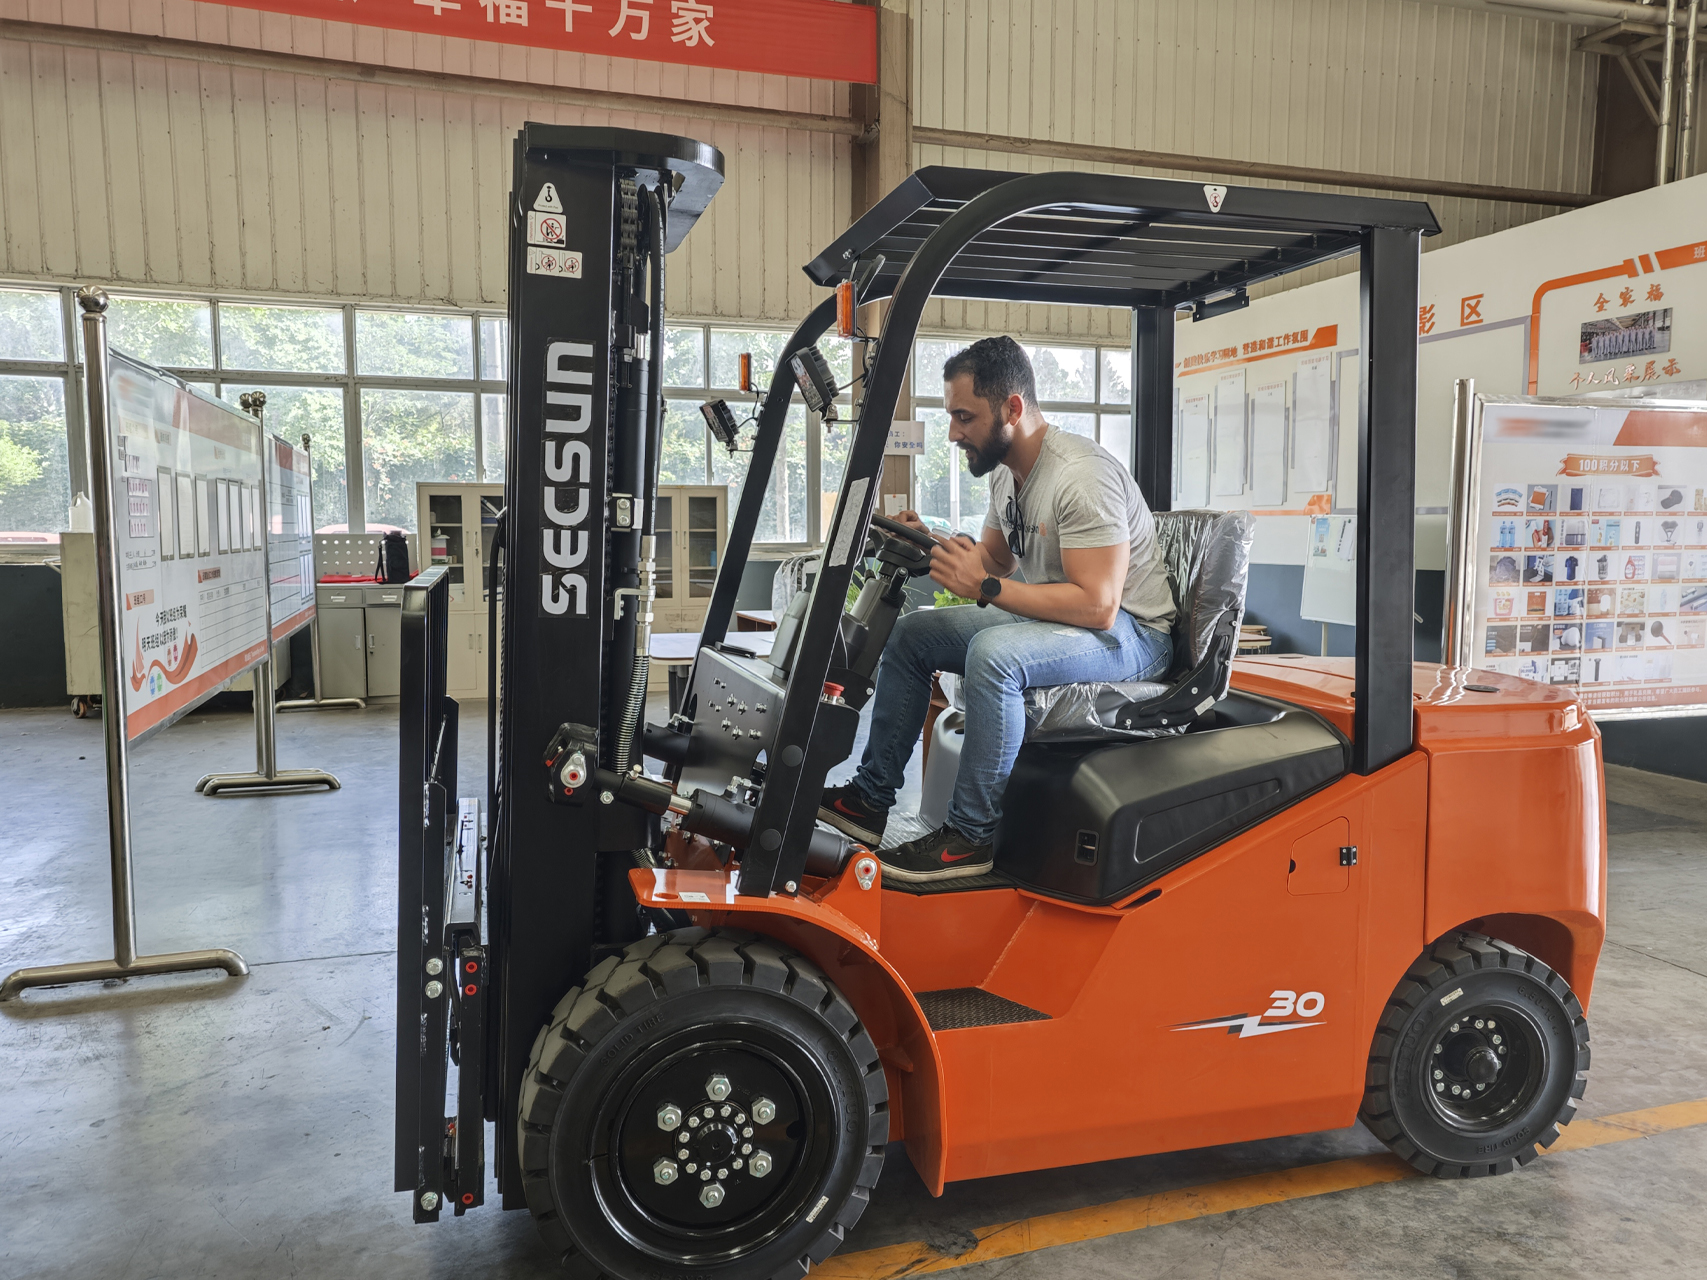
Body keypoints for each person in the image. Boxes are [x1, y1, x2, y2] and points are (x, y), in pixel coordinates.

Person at [818, 336, 1176, 883]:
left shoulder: (1081, 476)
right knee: (915, 635)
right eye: (952, 416)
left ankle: (969, 837)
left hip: (1134, 635)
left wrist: (983, 584)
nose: (955, 432)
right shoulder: (1010, 473)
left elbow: (1100, 606)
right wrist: (933, 544)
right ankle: (869, 801)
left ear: (1012, 407)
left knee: (994, 655)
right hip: (1062, 620)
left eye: (966, 417)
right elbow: (997, 560)